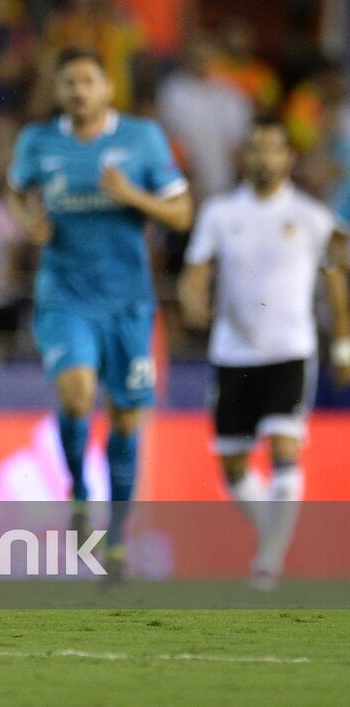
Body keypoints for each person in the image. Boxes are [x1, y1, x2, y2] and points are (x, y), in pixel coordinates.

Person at [5, 48, 193, 579]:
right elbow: (16, 193)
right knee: (77, 392)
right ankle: (80, 490)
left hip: (129, 302)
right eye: (69, 82)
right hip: (65, 294)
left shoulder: (142, 139)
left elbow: (181, 212)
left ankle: (116, 534)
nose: (79, 90)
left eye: (89, 80)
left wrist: (133, 195)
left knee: (128, 417)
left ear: (109, 89)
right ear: (59, 91)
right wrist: (29, 223)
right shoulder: (38, 142)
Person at [178, 121, 350, 589]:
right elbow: (196, 269)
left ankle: (270, 559)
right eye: (255, 150)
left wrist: (342, 344)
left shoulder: (313, 216)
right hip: (233, 353)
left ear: (288, 159)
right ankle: (274, 537)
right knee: (232, 465)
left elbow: (337, 283)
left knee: (284, 447)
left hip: (290, 350)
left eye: (273, 150)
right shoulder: (220, 212)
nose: (264, 159)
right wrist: (193, 298)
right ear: (244, 156)